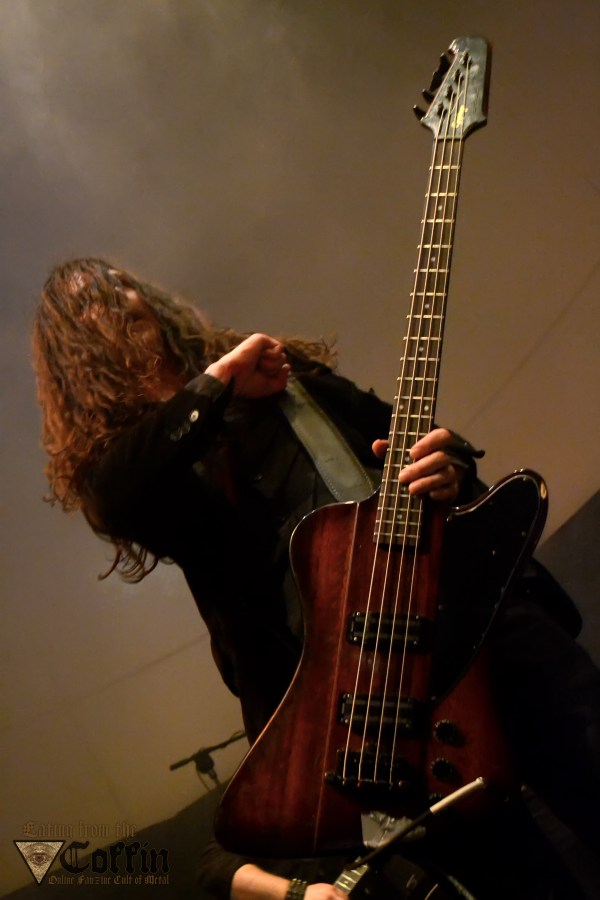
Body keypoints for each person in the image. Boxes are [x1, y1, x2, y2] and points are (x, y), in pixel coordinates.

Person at [32, 258, 600, 900]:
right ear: (74, 348)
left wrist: (451, 466)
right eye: (89, 300)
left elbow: (414, 438)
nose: (115, 298)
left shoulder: (286, 379)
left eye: (118, 282)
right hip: (369, 707)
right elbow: (113, 498)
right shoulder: (137, 461)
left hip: (474, 619)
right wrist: (219, 381)